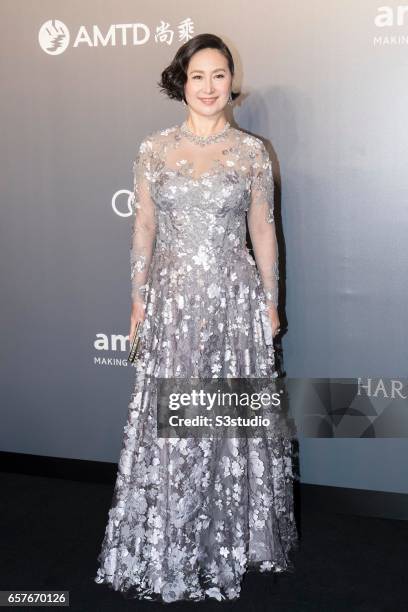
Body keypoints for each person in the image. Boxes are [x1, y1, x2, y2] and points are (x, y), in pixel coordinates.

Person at [94, 33, 299, 603]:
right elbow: (144, 229)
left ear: (232, 80)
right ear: (180, 83)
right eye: (197, 76)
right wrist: (139, 299)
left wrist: (270, 299)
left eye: (219, 74)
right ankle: (175, 535)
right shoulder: (153, 150)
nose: (209, 87)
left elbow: (262, 230)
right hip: (175, 302)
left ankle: (229, 537)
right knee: (174, 416)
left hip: (235, 304)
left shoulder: (253, 151)